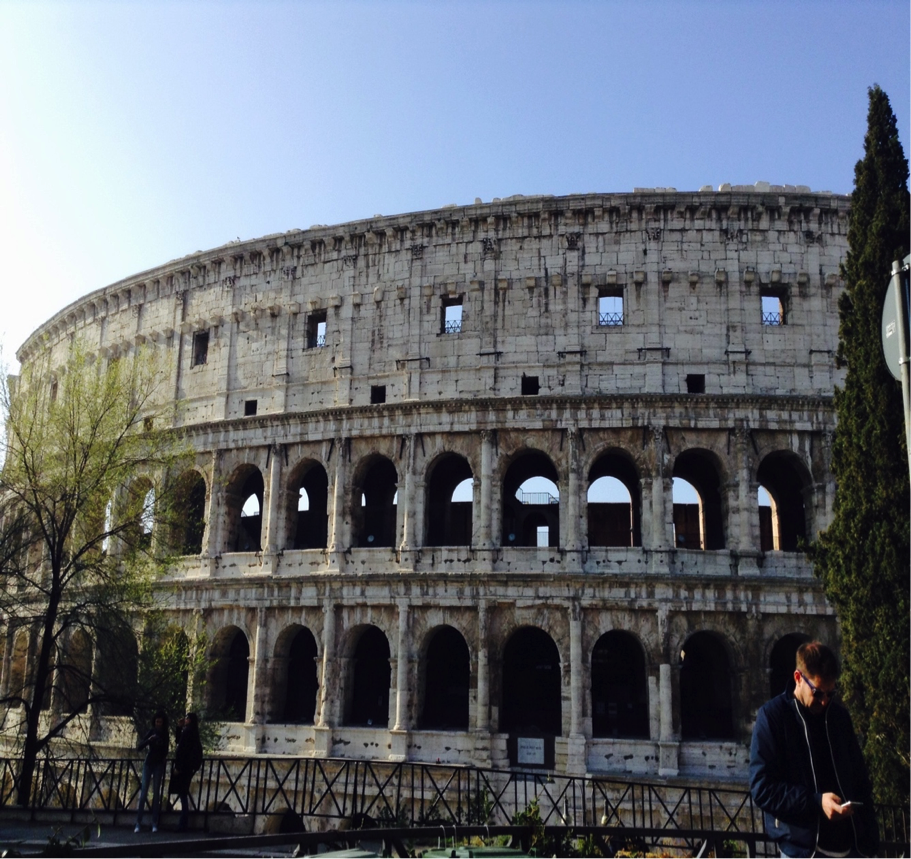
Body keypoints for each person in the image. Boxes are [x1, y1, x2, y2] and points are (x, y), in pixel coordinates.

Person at [750, 641, 878, 859]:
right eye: (818, 693)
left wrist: (870, 843)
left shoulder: (839, 717)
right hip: (803, 849)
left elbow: (860, 780)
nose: (825, 700)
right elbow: (762, 788)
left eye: (831, 693)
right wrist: (816, 802)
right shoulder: (772, 717)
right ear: (798, 678)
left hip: (852, 847)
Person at [135, 711, 170, 833]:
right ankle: (138, 822)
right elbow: (139, 747)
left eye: (160, 722)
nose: (158, 724)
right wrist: (150, 740)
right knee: (143, 792)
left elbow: (166, 749)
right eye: (156, 722)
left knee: (156, 794)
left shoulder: (165, 734)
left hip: (158, 764)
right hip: (149, 763)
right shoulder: (151, 732)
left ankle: (154, 822)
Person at [169, 712, 204, 831]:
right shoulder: (192, 731)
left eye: (187, 718)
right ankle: (183, 823)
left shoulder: (188, 731)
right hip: (189, 767)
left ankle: (183, 824)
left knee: (182, 794)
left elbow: (181, 749)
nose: (185, 719)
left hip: (183, 767)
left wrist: (178, 767)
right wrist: (179, 728)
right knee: (183, 793)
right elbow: (179, 741)